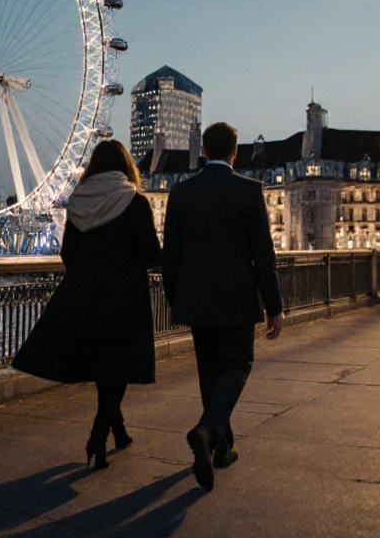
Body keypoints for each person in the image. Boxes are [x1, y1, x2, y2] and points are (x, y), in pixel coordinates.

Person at [11, 140, 160, 470]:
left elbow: (68, 253)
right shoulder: (134, 202)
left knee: (101, 363)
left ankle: (118, 430)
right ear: (126, 166)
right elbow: (150, 252)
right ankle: (99, 434)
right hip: (125, 295)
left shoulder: (78, 202)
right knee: (118, 365)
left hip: (85, 293)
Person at [162, 122, 283, 492]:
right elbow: (264, 254)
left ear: (204, 152)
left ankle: (221, 449)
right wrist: (274, 305)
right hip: (236, 298)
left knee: (210, 372)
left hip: (196, 299)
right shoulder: (249, 191)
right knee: (238, 363)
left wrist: (175, 298)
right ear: (235, 152)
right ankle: (209, 431)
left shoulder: (181, 193)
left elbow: (171, 256)